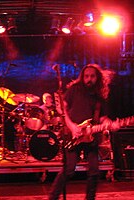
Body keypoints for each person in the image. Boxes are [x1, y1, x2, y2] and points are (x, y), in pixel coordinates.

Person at [48, 64, 120, 200]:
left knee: (94, 172)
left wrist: (111, 124)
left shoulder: (100, 97)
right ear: (82, 77)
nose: (89, 79)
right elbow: (62, 110)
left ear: (97, 77)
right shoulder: (74, 90)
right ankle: (52, 197)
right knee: (69, 170)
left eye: (92, 76)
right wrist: (72, 127)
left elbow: (103, 118)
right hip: (72, 135)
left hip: (91, 137)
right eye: (86, 76)